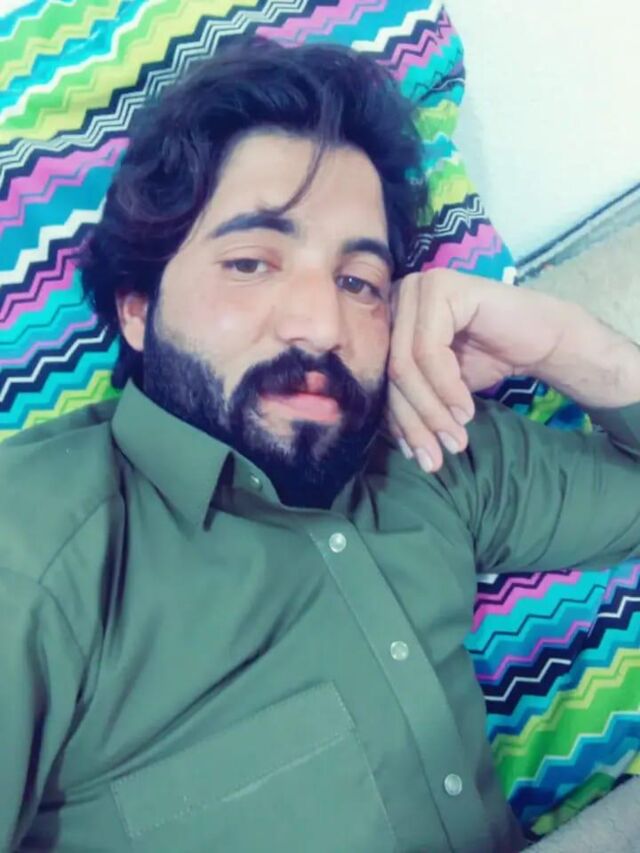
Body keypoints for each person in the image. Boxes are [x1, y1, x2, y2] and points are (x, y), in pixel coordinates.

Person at [0, 38, 638, 853]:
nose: (321, 324)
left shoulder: (427, 452)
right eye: (250, 262)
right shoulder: (34, 549)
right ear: (136, 306)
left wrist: (561, 342)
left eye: (358, 281)